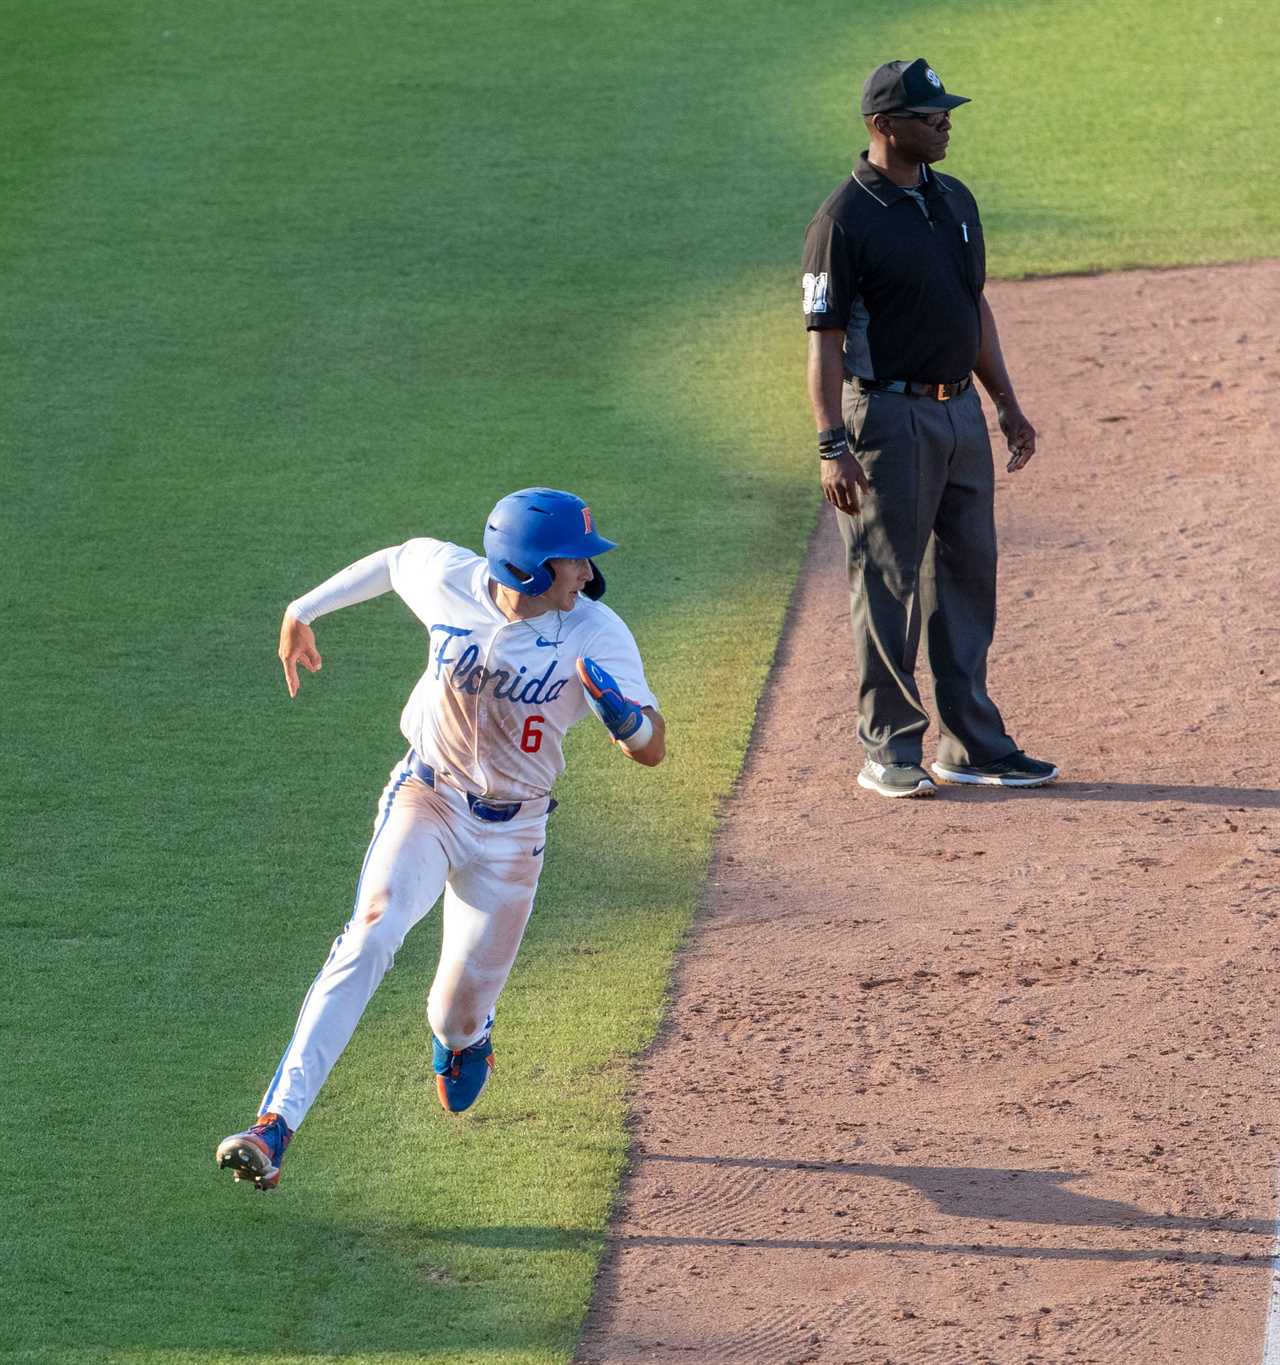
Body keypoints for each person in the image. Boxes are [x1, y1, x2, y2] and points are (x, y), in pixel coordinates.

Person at [215, 488, 665, 1190]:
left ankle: (465, 1037)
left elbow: (653, 747)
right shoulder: (452, 579)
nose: (586, 571)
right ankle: (274, 1123)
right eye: (572, 559)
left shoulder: (596, 632)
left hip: (515, 835)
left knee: (453, 1015)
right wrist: (303, 609)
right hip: (427, 797)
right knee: (370, 931)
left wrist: (624, 720)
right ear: (527, 569)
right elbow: (396, 563)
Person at [801, 57, 1058, 799]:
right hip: (885, 417)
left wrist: (1005, 401)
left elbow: (973, 306)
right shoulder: (841, 221)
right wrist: (831, 443)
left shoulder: (955, 201)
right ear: (883, 126)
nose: (945, 121)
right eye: (928, 114)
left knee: (969, 572)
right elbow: (820, 339)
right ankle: (889, 747)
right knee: (887, 582)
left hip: (959, 413)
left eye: (945, 111)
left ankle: (972, 742)